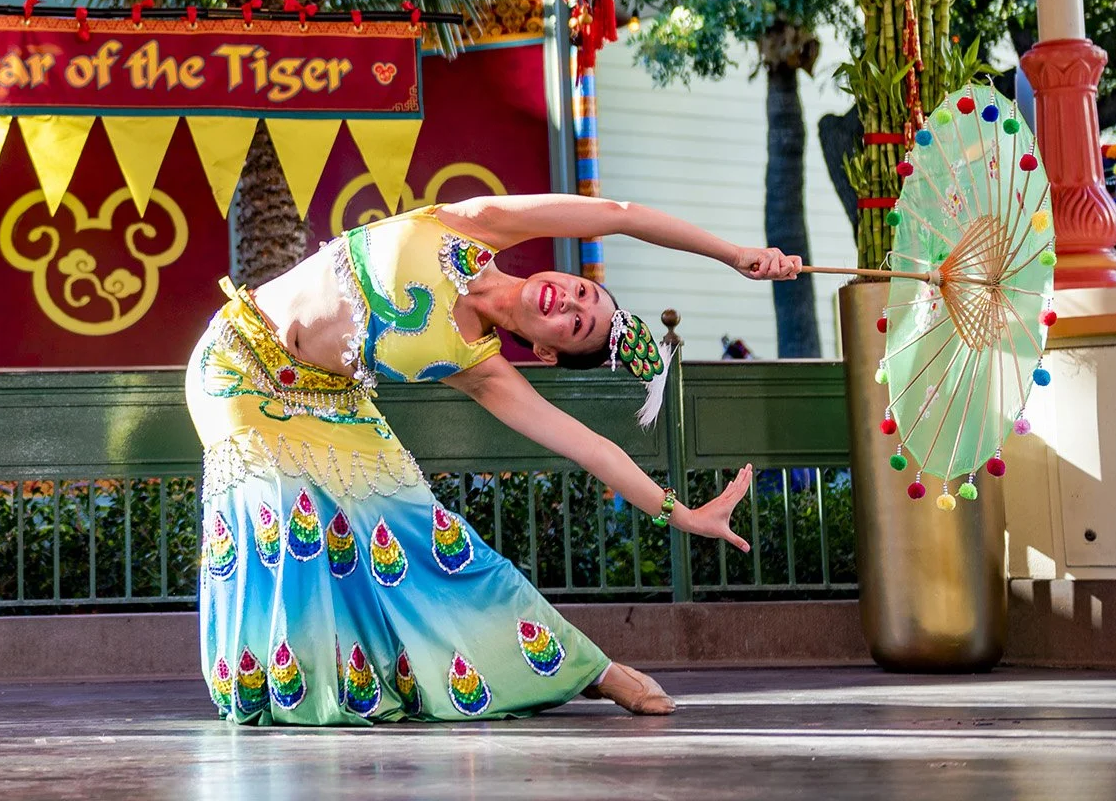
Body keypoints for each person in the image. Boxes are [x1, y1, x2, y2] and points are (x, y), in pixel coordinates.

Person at [186, 192, 800, 726]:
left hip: (328, 400)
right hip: (236, 364)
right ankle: (299, 675)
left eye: (576, 324)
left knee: (430, 540)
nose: (567, 303)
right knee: (280, 517)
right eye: (581, 291)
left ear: (546, 352)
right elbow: (619, 214)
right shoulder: (476, 224)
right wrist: (733, 254)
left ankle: (588, 670)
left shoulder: (481, 368)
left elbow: (592, 447)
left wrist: (683, 514)